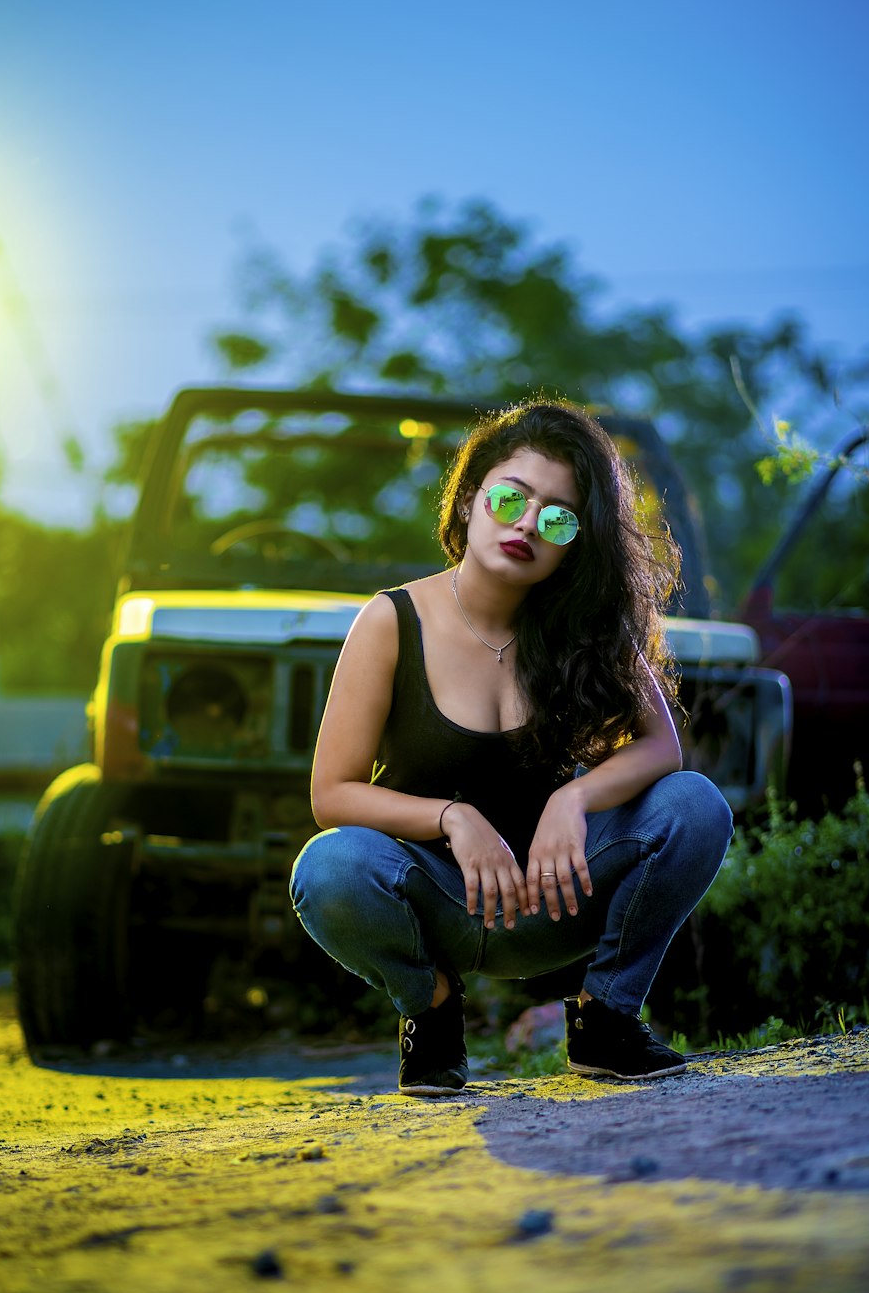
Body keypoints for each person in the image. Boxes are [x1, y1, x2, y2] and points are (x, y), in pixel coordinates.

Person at [290, 399, 733, 1095]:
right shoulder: (391, 621)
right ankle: (431, 1009)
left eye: (557, 516)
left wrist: (575, 797)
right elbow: (332, 794)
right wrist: (452, 818)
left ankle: (606, 1019)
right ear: (469, 503)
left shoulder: (587, 627)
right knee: (329, 867)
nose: (528, 524)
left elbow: (662, 752)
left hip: (557, 897)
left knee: (694, 805)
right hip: (437, 903)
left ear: (574, 543)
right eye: (510, 499)